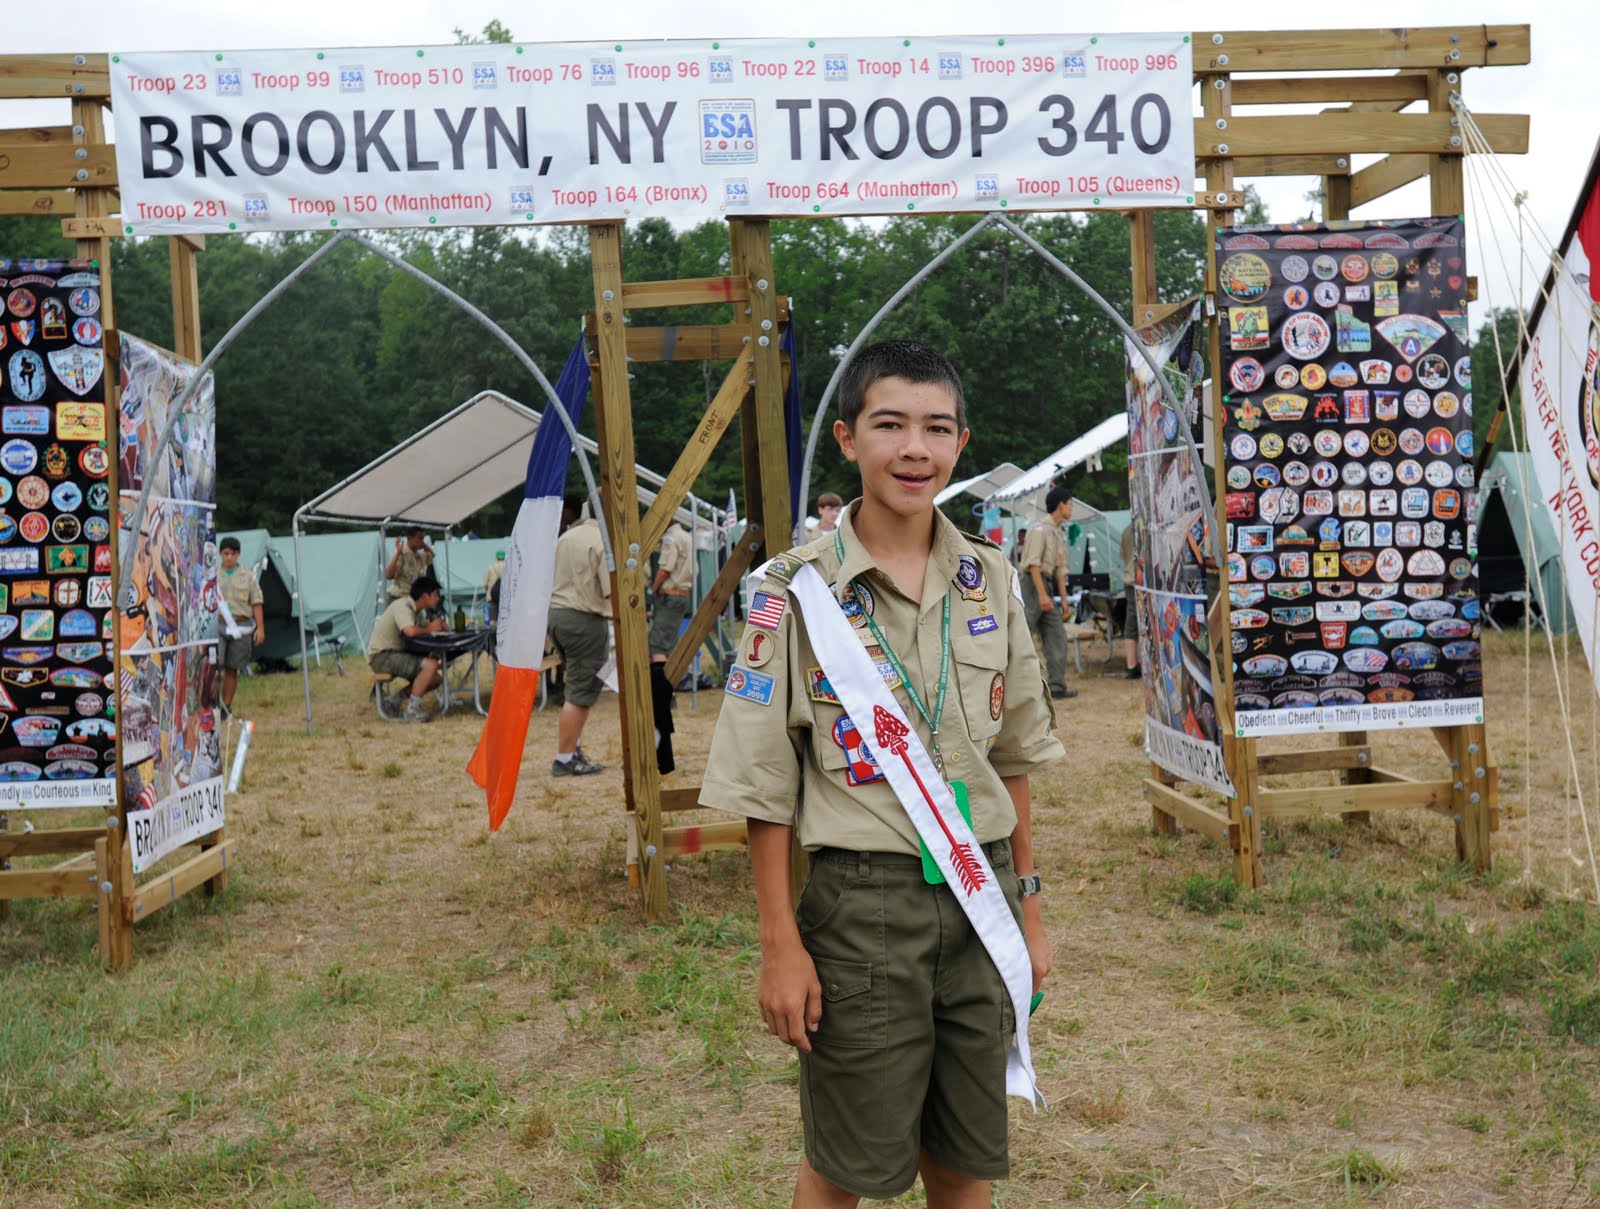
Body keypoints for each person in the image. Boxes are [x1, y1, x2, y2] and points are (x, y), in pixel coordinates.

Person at [700, 340, 1062, 1208]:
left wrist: (1029, 906)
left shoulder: (990, 579)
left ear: (961, 442)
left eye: (937, 429)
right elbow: (763, 785)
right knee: (846, 1165)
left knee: (965, 1159)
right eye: (890, 424)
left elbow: (1012, 759)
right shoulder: (792, 591)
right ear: (848, 437)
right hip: (862, 910)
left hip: (980, 899)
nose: (914, 449)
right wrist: (779, 944)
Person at [548, 503, 612, 775]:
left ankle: (572, 750)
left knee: (576, 685)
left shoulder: (568, 536)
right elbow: (612, 590)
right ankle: (565, 759)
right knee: (580, 692)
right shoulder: (602, 541)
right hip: (584, 619)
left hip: (558, 616)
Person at [366, 573, 448, 722]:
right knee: (430, 665)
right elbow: (409, 631)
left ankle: (393, 701)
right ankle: (412, 711)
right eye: (435, 594)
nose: (438, 598)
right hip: (382, 657)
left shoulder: (416, 612)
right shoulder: (402, 606)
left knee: (435, 679)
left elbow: (424, 629)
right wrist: (429, 628)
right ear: (424, 596)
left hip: (395, 655)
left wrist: (440, 626)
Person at [1019, 488, 1076, 699]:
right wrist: (1042, 596)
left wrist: (1064, 600)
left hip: (1047, 585)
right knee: (1021, 635)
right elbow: (1033, 565)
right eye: (1070, 504)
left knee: (1057, 634)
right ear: (1061, 505)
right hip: (1032, 585)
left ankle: (1057, 686)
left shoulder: (1058, 532)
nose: (1071, 509)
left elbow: (1060, 569)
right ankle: (1013, 687)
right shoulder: (1039, 530)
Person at [216, 536, 263, 717]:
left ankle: (226, 707)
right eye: (226, 553)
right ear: (220, 554)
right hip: (219, 624)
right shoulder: (212, 575)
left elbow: (256, 602)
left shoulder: (248, 575)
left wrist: (260, 628)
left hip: (241, 625)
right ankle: (212, 704)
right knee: (214, 665)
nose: (229, 557)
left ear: (238, 554)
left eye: (233, 554)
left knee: (232, 667)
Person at [649, 522, 694, 665]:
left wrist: (655, 588)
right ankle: (672, 676)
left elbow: (665, 570)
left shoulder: (671, 537)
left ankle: (659, 678)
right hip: (682, 594)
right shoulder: (687, 536)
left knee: (658, 645)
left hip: (670, 596)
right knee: (669, 644)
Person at [385, 527, 435, 600]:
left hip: (412, 597)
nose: (421, 541)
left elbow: (432, 555)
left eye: (423, 539)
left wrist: (423, 545)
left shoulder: (418, 555)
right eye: (419, 538)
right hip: (399, 597)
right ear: (410, 538)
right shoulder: (402, 553)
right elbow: (389, 575)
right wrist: (398, 553)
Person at [1119, 522, 1141, 680]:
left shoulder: (1127, 530)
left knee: (1132, 621)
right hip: (1140, 582)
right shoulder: (1147, 527)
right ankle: (1132, 665)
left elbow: (1123, 555)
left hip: (1130, 580)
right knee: (1134, 622)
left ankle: (1131, 664)